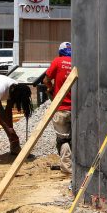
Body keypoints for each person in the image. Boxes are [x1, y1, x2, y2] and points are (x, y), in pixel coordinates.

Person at [44, 42, 72, 174]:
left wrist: (50, 88)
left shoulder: (58, 61)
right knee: (75, 138)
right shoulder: (76, 62)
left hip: (61, 108)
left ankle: (67, 169)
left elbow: (46, 80)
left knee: (63, 139)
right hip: (77, 109)